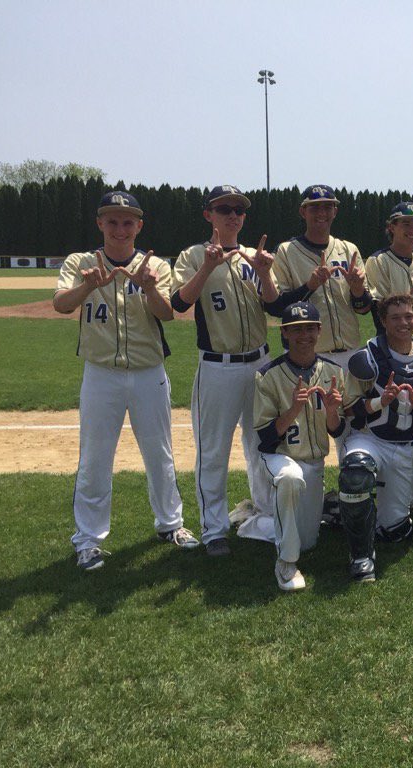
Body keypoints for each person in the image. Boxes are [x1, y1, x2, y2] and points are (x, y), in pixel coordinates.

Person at [53, 191, 195, 571]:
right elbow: (62, 304)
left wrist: (149, 286)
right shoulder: (81, 263)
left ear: (139, 226)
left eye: (127, 221)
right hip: (101, 374)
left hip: (149, 372)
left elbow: (167, 314)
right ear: (100, 223)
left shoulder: (155, 265)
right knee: (95, 460)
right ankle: (88, 541)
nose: (120, 228)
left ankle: (171, 525)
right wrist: (87, 286)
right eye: (112, 221)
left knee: (160, 454)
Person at [170, 185, 279, 556]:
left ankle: (264, 514)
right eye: (224, 208)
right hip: (218, 366)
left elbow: (274, 304)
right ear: (209, 215)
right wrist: (207, 266)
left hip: (261, 363)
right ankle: (214, 529)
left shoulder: (255, 256)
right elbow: (178, 302)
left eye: (239, 209)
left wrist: (264, 273)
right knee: (213, 451)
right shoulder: (192, 255)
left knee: (261, 443)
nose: (233, 215)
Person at [252, 302, 349, 589]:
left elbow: (339, 429)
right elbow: (266, 438)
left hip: (314, 461)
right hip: (279, 458)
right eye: (296, 329)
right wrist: (293, 409)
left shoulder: (333, 371)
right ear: (284, 333)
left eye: (309, 328)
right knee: (290, 479)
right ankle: (286, 563)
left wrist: (332, 411)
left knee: (308, 541)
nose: (303, 335)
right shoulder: (267, 375)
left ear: (319, 331)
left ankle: (253, 520)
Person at [343, 294, 413, 545]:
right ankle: (360, 550)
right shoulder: (367, 357)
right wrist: (381, 402)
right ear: (383, 322)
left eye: (409, 316)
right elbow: (348, 408)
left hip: (403, 446)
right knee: (356, 472)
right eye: (395, 317)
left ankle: (342, 512)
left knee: (396, 532)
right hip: (368, 438)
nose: (403, 322)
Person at [270, 185, 372, 373]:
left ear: (335, 211)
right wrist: (310, 286)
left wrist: (357, 289)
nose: (321, 212)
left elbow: (364, 309)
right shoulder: (285, 251)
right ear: (303, 211)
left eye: (327, 207)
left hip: (349, 353)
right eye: (314, 207)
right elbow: (277, 307)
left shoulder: (349, 250)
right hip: (308, 356)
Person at [363, 201, 413, 339]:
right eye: (406, 224)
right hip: (394, 343)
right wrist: (412, 293)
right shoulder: (379, 261)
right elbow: (380, 310)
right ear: (392, 227)